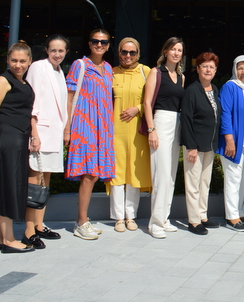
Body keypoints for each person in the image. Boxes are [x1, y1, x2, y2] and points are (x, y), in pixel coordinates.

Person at [0, 41, 39, 253]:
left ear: (29, 61)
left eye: (22, 61)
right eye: (14, 60)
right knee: (8, 187)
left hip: (18, 139)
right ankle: (8, 239)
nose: (18, 64)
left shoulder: (22, 82)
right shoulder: (2, 81)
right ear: (7, 60)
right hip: (7, 139)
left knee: (6, 185)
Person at [65, 30, 115, 240]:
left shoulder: (108, 68)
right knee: (88, 174)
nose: (99, 44)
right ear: (89, 43)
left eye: (103, 42)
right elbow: (68, 98)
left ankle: (84, 220)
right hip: (84, 126)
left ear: (108, 45)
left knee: (94, 174)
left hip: (102, 128)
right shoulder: (80, 65)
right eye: (95, 41)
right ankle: (81, 221)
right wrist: (67, 128)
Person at [25, 34, 69, 244]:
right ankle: (28, 230)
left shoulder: (60, 71)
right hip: (40, 134)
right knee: (34, 181)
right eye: (53, 50)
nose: (57, 54)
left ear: (66, 52)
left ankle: (39, 225)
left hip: (54, 134)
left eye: (61, 51)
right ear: (46, 50)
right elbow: (31, 101)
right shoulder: (38, 67)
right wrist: (34, 133)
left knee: (46, 181)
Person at [143, 37, 185, 239]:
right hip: (160, 122)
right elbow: (146, 103)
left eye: (179, 50)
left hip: (176, 124)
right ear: (166, 51)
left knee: (170, 175)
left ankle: (164, 218)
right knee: (160, 174)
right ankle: (155, 222)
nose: (176, 53)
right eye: (173, 49)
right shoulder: (155, 72)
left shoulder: (181, 76)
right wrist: (151, 129)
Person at [109, 38, 151, 233]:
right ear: (119, 53)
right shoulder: (111, 72)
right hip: (114, 131)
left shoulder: (146, 72)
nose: (128, 56)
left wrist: (138, 108)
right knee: (117, 174)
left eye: (132, 52)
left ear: (138, 54)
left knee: (134, 173)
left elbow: (155, 100)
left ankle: (130, 216)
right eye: (124, 52)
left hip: (137, 132)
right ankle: (118, 217)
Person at [181, 52, 221, 235]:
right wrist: (191, 147)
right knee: (193, 184)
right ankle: (194, 220)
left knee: (205, 183)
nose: (208, 69)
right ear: (197, 69)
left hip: (209, 145)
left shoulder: (214, 89)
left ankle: (203, 215)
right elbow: (187, 119)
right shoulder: (191, 90)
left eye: (211, 67)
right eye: (204, 66)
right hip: (194, 146)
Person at [220, 55, 244, 232]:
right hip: (234, 143)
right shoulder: (230, 87)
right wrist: (229, 140)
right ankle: (231, 216)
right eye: (240, 68)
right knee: (233, 180)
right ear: (235, 69)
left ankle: (240, 211)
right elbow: (225, 114)